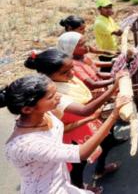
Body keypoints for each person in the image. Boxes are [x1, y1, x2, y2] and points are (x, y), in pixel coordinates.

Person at [2, 74, 130, 194]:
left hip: (62, 179)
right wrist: (114, 115)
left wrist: (89, 118)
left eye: (55, 92)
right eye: (51, 96)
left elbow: (63, 128)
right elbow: (82, 153)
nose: (59, 96)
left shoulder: (43, 113)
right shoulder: (25, 145)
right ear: (27, 109)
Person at [25, 48, 126, 190]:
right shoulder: (53, 93)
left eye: (71, 68)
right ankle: (80, 187)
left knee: (105, 143)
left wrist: (95, 97)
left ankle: (100, 170)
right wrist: (112, 88)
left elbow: (83, 95)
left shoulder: (67, 78)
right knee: (78, 165)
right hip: (71, 133)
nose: (72, 74)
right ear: (48, 75)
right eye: (65, 72)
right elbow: (84, 111)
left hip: (87, 124)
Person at [93, 0, 122, 72]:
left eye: (110, 7)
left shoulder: (109, 19)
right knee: (107, 71)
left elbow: (117, 29)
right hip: (105, 53)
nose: (109, 9)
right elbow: (117, 33)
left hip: (112, 50)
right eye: (106, 8)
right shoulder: (99, 23)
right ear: (99, 9)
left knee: (112, 70)